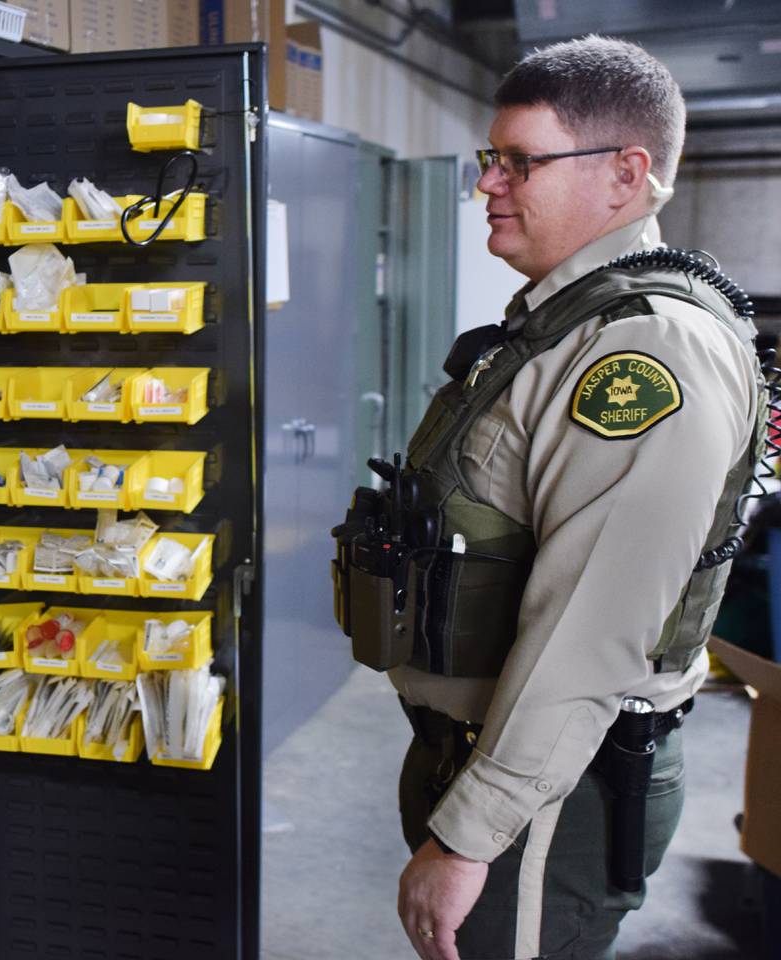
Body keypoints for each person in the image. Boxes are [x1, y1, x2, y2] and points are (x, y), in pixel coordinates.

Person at [331, 36, 766, 960]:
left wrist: (467, 835)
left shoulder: (643, 356)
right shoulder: (559, 327)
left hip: (550, 799)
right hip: (494, 763)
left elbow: (590, 633)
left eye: (518, 161)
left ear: (625, 174)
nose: (487, 182)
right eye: (493, 158)